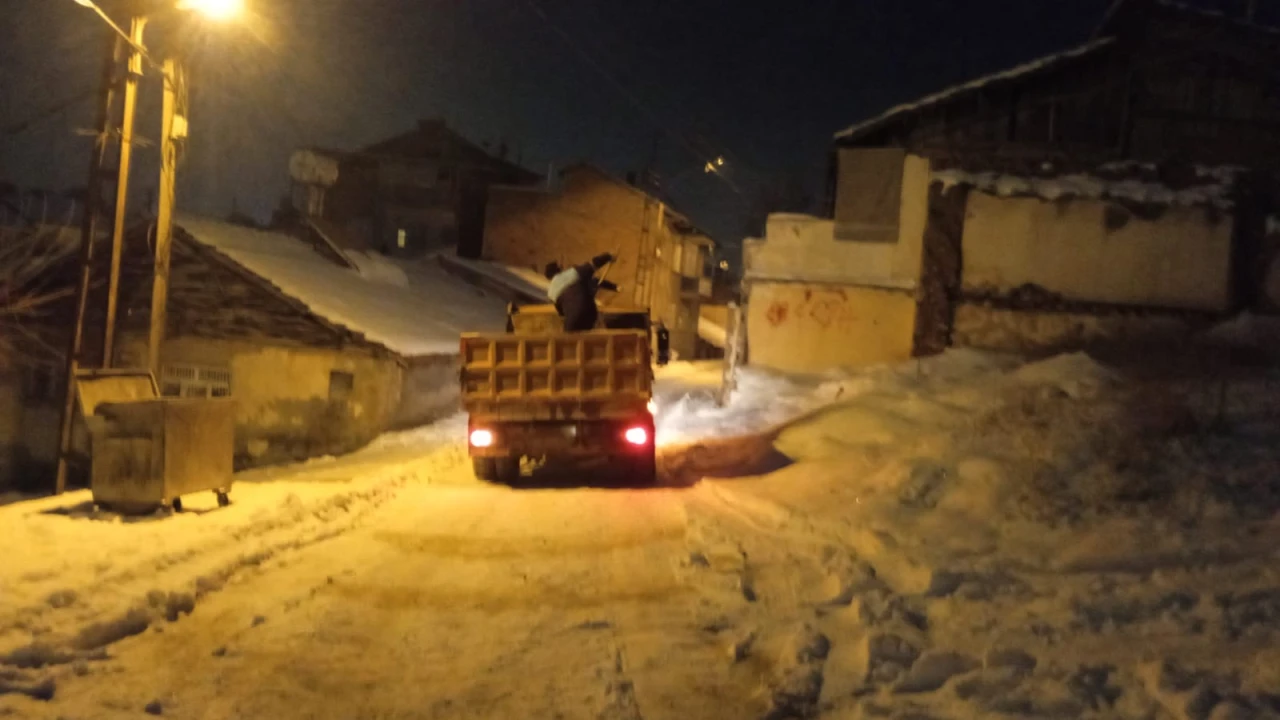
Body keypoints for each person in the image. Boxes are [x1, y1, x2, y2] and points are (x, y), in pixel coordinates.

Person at [544, 253, 620, 331]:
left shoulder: (550, 293)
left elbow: (561, 313)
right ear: (559, 270)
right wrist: (608, 256)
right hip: (589, 313)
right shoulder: (572, 273)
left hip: (572, 322)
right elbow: (595, 263)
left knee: (569, 333)